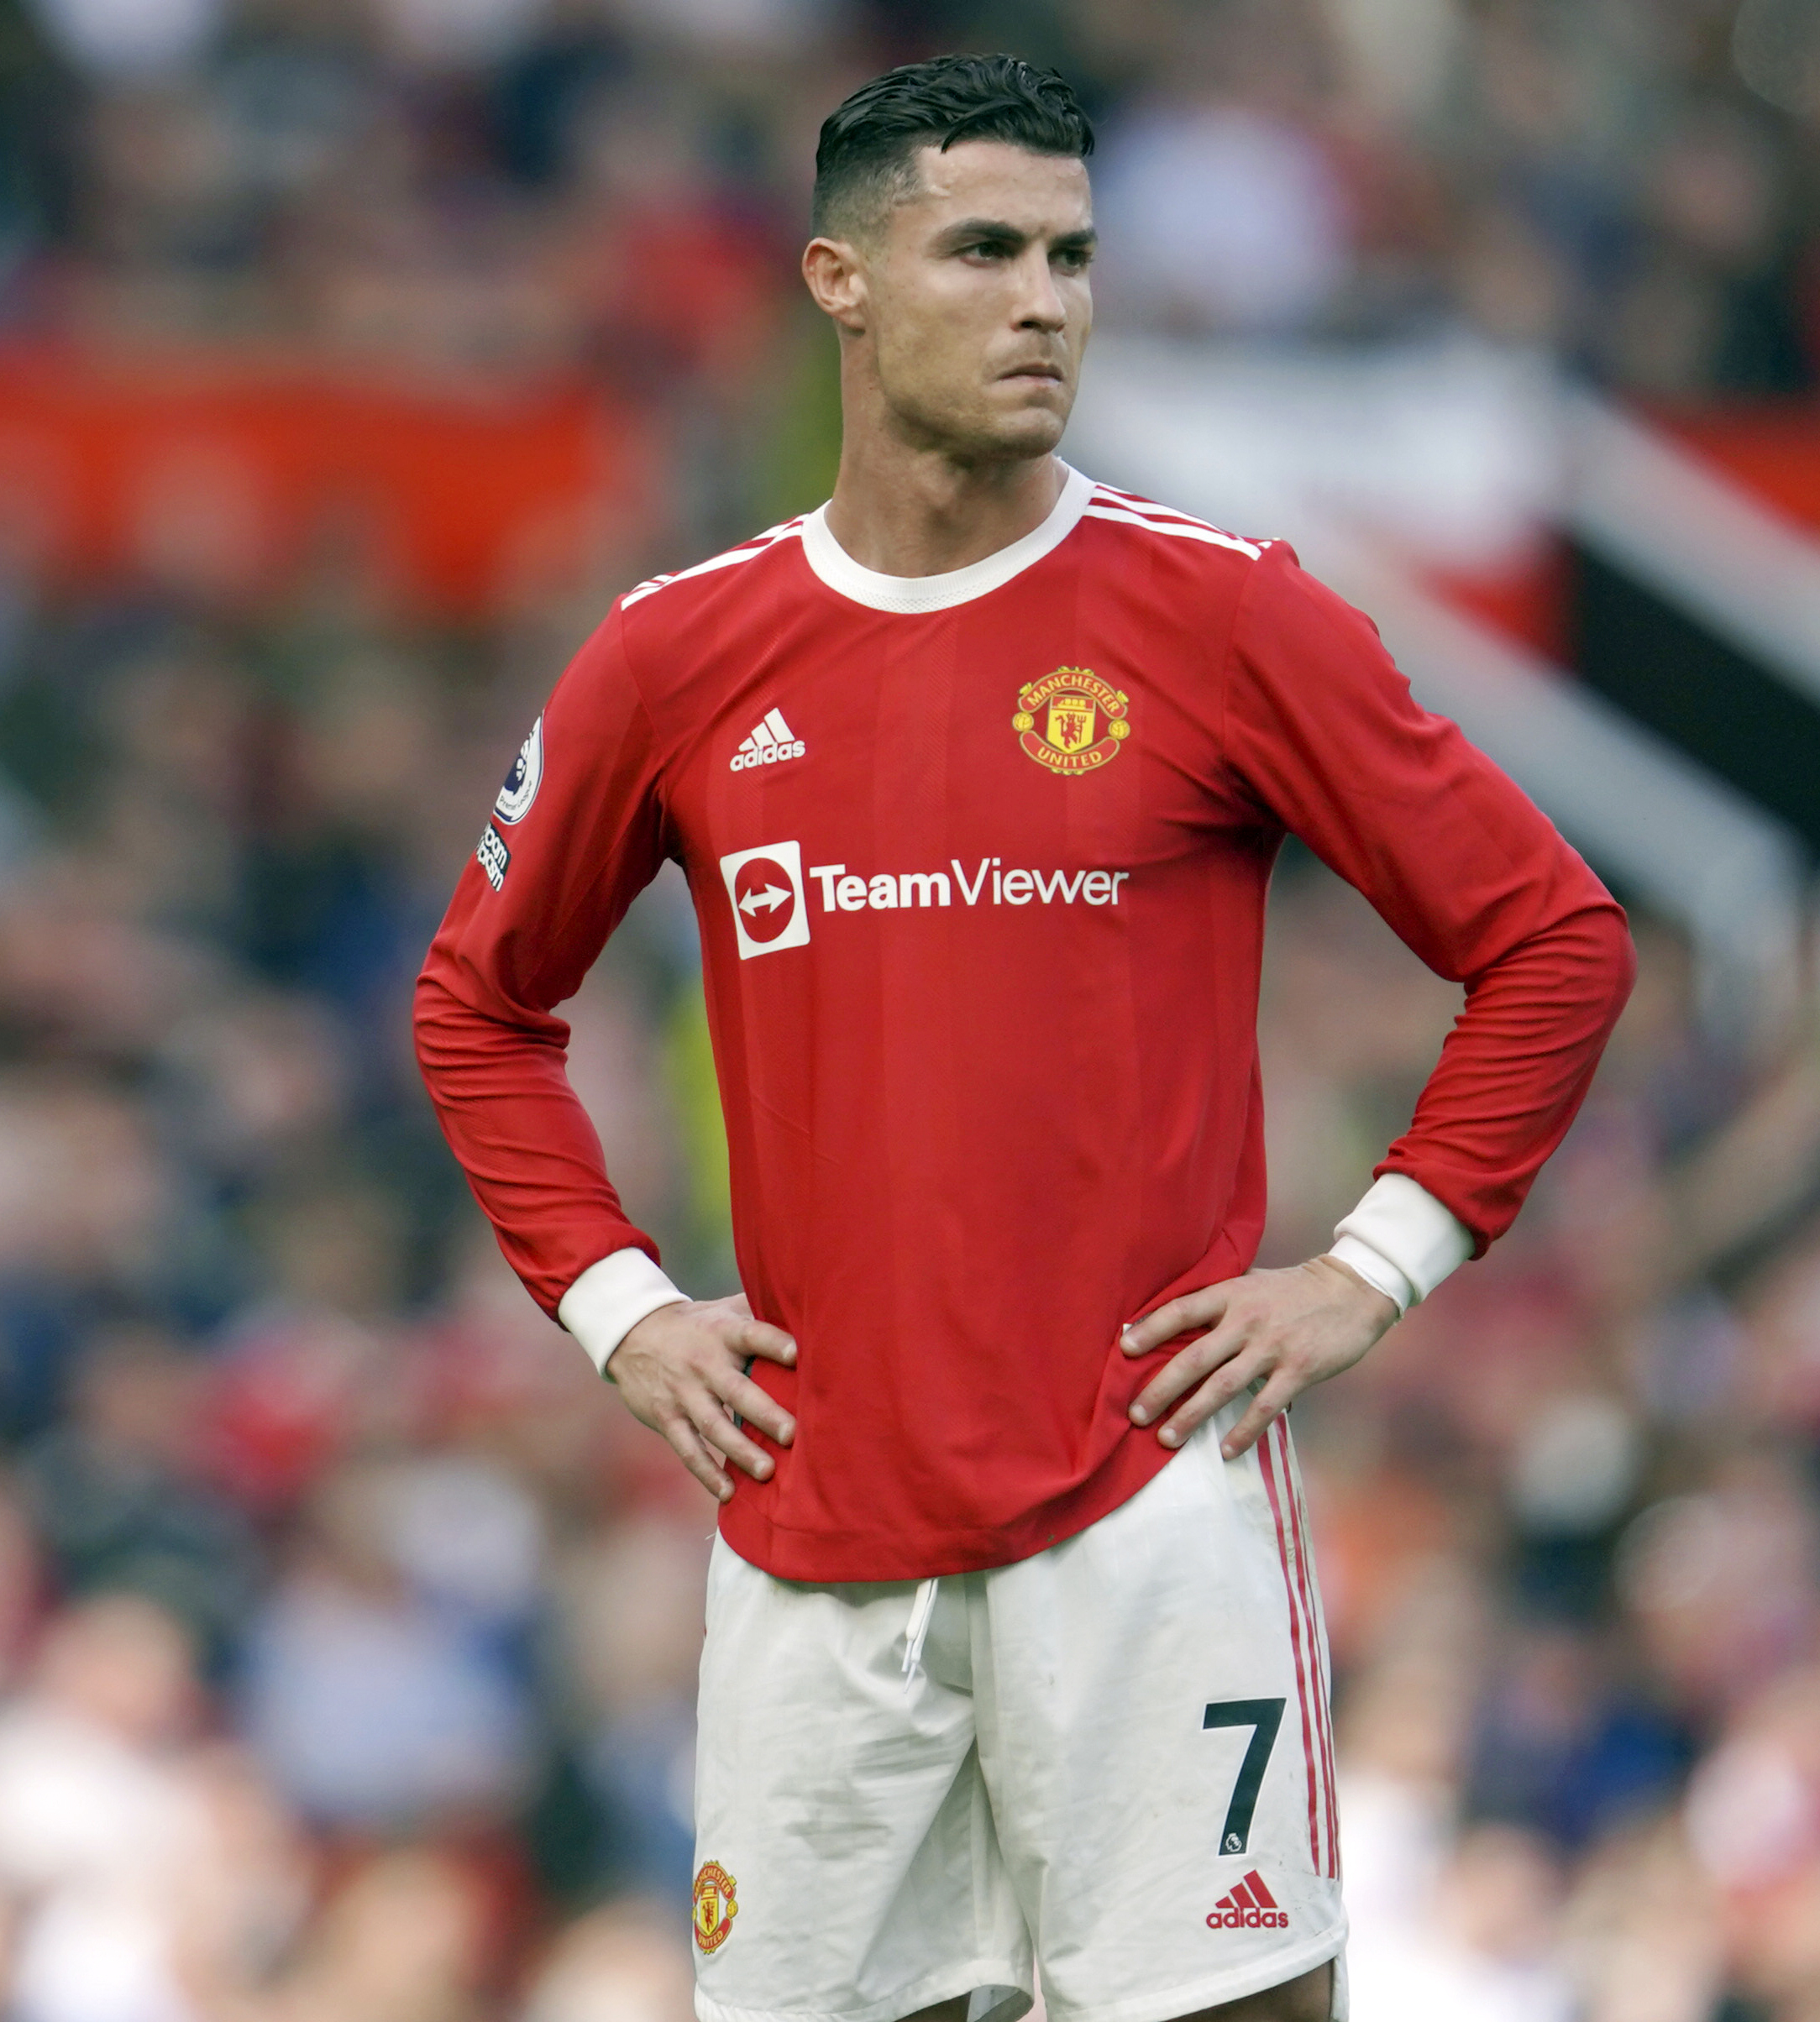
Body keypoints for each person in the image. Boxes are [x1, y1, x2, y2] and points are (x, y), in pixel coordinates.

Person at [412, 54, 1634, 2022]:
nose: (1043, 298)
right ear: (839, 281)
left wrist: (1372, 1266)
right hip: (818, 1539)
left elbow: (1553, 938)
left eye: (1071, 254)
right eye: (980, 249)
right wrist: (618, 1303)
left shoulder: (1218, 613)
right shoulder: (677, 653)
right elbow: (478, 1005)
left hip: (1146, 1510)